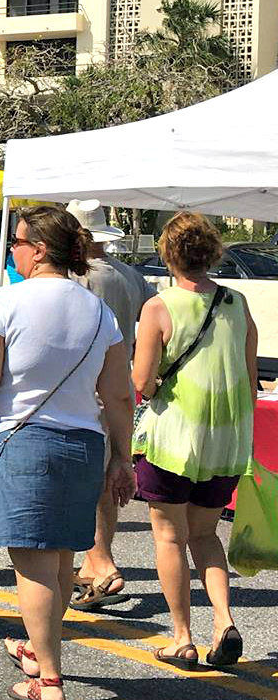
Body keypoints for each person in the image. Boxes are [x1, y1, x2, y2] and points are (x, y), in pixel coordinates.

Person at [0, 206, 133, 700]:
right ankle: (40, 653)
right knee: (61, 560)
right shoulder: (98, 311)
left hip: (26, 440)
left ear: (39, 250)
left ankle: (49, 680)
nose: (13, 251)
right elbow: (119, 394)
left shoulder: (9, 302)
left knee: (34, 566)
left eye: (18, 243)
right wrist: (122, 457)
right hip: (84, 442)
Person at [130, 212, 257, 669]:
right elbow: (247, 373)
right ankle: (223, 620)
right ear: (212, 252)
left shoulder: (159, 307)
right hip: (224, 442)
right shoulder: (237, 303)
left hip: (174, 439)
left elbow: (142, 381)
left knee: (168, 536)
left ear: (168, 254)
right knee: (205, 535)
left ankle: (181, 635)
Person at [65, 198, 151, 609]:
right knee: (109, 476)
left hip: (85, 385)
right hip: (121, 380)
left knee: (89, 481)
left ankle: (101, 563)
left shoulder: (78, 279)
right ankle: (97, 560)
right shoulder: (130, 276)